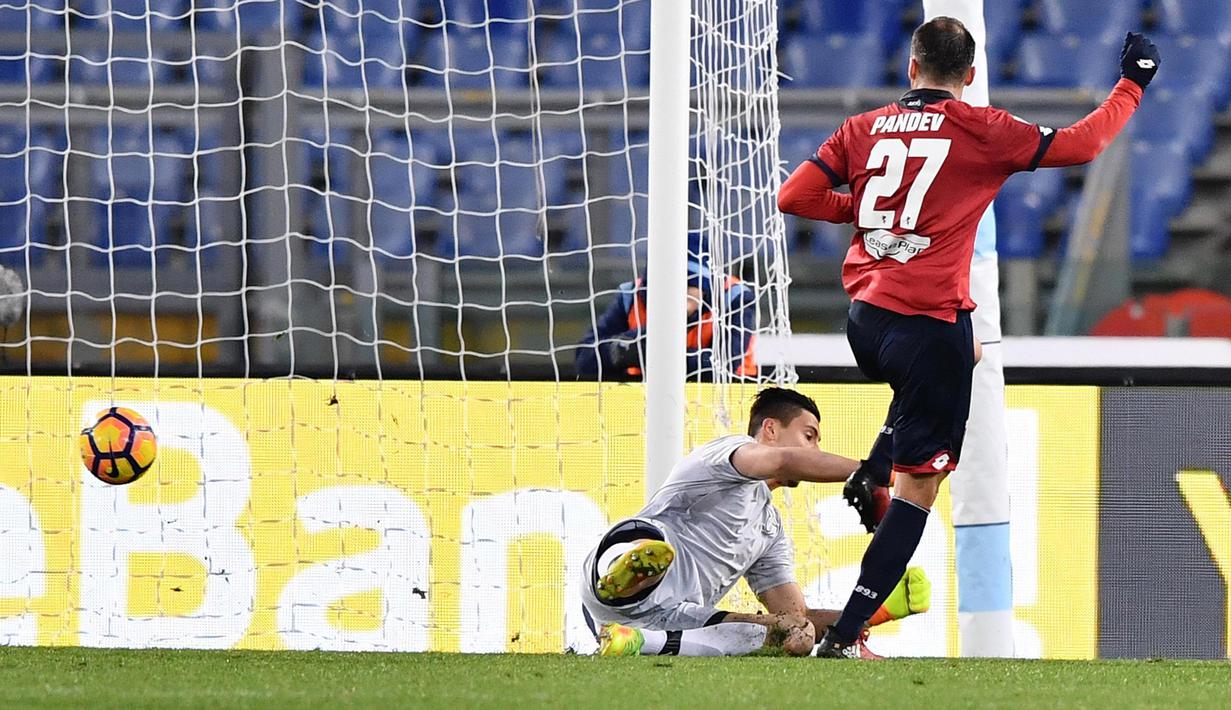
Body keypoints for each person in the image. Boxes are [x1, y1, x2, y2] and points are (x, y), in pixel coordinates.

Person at [777, 17, 1159, 657]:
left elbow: (795, 194)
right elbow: (1084, 145)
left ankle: (871, 469)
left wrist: (865, 210)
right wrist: (1132, 84)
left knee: (968, 347)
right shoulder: (983, 129)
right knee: (920, 486)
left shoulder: (862, 127)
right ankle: (843, 636)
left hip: (866, 321)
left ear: (911, 67)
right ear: (972, 76)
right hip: (924, 328)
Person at [580, 387, 932, 658]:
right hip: (612, 579)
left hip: (670, 618)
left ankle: (639, 642)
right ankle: (626, 574)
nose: (813, 450)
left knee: (795, 632)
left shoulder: (769, 529)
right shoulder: (728, 452)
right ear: (770, 429)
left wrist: (877, 611)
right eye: (809, 436)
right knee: (651, 542)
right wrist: (871, 472)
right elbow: (780, 462)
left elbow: (797, 613)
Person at [574, 255, 758, 380]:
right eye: (667, 285)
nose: (675, 295)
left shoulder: (733, 297)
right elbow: (585, 360)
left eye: (686, 286)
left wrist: (659, 354)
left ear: (703, 289)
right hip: (644, 396)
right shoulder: (631, 296)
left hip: (730, 398)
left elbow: (724, 368)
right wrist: (628, 346)